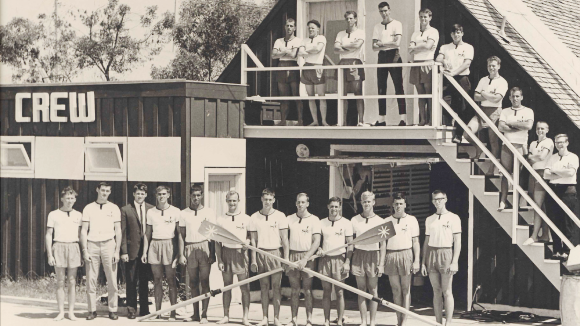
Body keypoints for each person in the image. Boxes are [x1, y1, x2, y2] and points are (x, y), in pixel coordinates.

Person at [80, 182, 122, 320]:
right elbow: (84, 230)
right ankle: (92, 310)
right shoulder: (88, 208)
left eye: (107, 191)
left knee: (112, 279)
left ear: (110, 192)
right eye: (102, 190)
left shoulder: (114, 208)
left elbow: (118, 230)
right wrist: (85, 250)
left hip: (109, 244)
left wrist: (117, 251)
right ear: (97, 190)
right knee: (91, 279)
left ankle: (112, 309)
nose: (104, 193)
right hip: (92, 244)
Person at [248, 188, 289, 326]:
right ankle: (264, 318)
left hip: (276, 254)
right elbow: (253, 241)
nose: (267, 202)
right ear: (261, 199)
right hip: (261, 254)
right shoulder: (254, 217)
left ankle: (276, 318)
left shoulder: (280, 216)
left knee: (276, 287)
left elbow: (285, 240)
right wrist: (253, 260)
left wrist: (286, 259)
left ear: (274, 200)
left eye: (270, 199)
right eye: (265, 199)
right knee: (264, 287)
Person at [421, 190, 462, 326]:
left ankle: (448, 322)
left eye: (440, 199)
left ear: (445, 199)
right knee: (436, 291)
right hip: (432, 254)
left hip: (446, 254)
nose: (437, 202)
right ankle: (438, 322)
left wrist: (455, 261)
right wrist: (423, 262)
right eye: (435, 200)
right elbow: (426, 242)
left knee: (447, 290)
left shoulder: (454, 218)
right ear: (432, 201)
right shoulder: (429, 219)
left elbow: (457, 241)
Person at [179, 185, 216, 323]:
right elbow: (181, 236)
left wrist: (212, 253)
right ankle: (195, 314)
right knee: (193, 282)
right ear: (190, 196)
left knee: (205, 282)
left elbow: (213, 234)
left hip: (204, 246)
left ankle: (204, 315)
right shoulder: (183, 213)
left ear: (202, 196)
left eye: (198, 195)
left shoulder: (209, 212)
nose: (196, 198)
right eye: (193, 195)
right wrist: (182, 254)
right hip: (190, 247)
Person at [142, 186, 180, 320]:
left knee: (171, 280)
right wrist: (145, 252)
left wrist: (178, 254)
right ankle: (157, 313)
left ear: (168, 195)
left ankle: (173, 312)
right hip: (155, 245)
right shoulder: (151, 212)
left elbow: (179, 234)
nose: (161, 196)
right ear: (156, 196)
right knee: (157, 280)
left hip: (169, 245)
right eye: (159, 194)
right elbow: (147, 234)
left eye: (164, 194)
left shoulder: (175, 211)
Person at [45, 186, 82, 321]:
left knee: (72, 281)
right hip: (58, 247)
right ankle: (61, 312)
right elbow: (49, 235)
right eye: (67, 198)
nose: (69, 201)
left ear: (75, 200)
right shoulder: (53, 214)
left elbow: (80, 234)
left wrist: (82, 252)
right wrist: (50, 254)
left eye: (72, 198)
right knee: (60, 281)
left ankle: (71, 312)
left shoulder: (78, 215)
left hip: (73, 246)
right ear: (62, 199)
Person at [215, 190, 252, 325]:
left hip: (240, 255)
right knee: (227, 286)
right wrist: (219, 260)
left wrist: (248, 241)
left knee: (244, 287)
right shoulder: (220, 219)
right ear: (226, 201)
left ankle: (245, 317)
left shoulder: (246, 218)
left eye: (234, 200)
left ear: (238, 201)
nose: (232, 203)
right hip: (226, 253)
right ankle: (226, 316)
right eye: (230, 200)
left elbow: (250, 236)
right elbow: (217, 242)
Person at [383, 193, 420, 326]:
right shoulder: (387, 221)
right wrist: (382, 263)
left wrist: (416, 261)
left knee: (406, 289)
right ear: (393, 205)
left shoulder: (412, 220)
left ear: (405, 205)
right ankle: (398, 319)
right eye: (396, 204)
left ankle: (404, 321)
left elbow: (416, 242)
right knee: (396, 289)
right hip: (391, 255)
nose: (398, 206)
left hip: (406, 254)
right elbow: (383, 244)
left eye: (401, 203)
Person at [286, 193, 321, 326]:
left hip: (308, 257)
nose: (300, 205)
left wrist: (306, 258)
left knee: (307, 290)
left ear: (307, 204)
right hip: (293, 256)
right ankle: (293, 319)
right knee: (294, 290)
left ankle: (309, 319)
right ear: (295, 203)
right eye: (298, 202)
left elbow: (317, 241)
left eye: (303, 202)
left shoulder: (314, 220)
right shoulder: (289, 219)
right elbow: (284, 239)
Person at [351, 191, 386, 326]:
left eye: (369, 201)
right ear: (361, 202)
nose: (366, 204)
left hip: (373, 255)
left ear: (373, 202)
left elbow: (383, 245)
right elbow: (350, 241)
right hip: (359, 254)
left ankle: (372, 322)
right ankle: (363, 321)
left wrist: (381, 263)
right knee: (361, 289)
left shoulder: (380, 221)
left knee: (373, 289)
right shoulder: (354, 220)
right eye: (364, 201)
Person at [317, 197, 353, 326]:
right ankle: (326, 320)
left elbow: (350, 245)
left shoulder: (346, 223)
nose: (334, 209)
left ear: (340, 207)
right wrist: (319, 248)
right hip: (325, 259)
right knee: (326, 291)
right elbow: (316, 242)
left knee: (339, 292)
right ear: (328, 207)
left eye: (336, 206)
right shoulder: (321, 223)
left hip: (340, 259)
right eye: (332, 206)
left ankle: (339, 321)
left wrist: (347, 262)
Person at [465, 56, 508, 161]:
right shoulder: (483, 80)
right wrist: (490, 95)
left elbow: (497, 99)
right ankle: (478, 148)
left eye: (493, 65)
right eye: (489, 66)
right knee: (467, 133)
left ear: (498, 66)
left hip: (495, 112)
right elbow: (476, 96)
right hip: (482, 110)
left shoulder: (502, 82)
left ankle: (492, 168)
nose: (491, 68)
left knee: (493, 141)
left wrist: (483, 93)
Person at [120, 183, 154, 319]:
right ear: (134, 194)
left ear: (145, 195)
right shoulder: (126, 209)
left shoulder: (151, 209)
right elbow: (122, 232)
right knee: (131, 280)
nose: (140, 196)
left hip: (146, 250)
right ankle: (131, 309)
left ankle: (145, 309)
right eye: (137, 193)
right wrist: (124, 251)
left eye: (142, 193)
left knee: (144, 280)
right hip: (132, 250)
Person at [543, 134, 580, 258]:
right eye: (557, 142)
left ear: (567, 143)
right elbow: (546, 175)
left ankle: (567, 251)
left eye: (562, 142)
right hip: (554, 190)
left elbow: (571, 173)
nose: (560, 145)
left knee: (567, 222)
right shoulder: (552, 158)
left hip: (568, 191)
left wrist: (555, 171)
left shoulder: (573, 157)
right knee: (555, 220)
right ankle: (557, 250)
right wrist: (561, 173)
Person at [436, 24, 474, 143]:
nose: (456, 35)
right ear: (451, 35)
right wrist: (444, 60)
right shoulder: (445, 47)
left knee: (463, 107)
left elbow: (466, 64)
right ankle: (448, 132)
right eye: (454, 33)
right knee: (445, 103)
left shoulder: (468, 47)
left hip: (462, 79)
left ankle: (458, 134)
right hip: (448, 80)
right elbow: (438, 59)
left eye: (458, 32)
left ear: (462, 33)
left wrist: (454, 73)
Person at [497, 87, 534, 210]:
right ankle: (503, 201)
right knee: (505, 174)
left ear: (521, 97)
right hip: (506, 145)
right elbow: (501, 127)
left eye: (517, 96)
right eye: (513, 96)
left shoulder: (528, 111)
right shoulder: (505, 111)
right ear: (509, 98)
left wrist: (511, 123)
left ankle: (516, 203)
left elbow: (528, 125)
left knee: (518, 177)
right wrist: (519, 126)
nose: (515, 98)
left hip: (520, 146)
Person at [372, 2, 406, 126]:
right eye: (381, 11)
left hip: (394, 56)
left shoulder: (397, 24)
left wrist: (382, 44)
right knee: (381, 87)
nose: (384, 13)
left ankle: (403, 118)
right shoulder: (377, 27)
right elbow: (374, 47)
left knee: (398, 87)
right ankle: (381, 119)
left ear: (390, 10)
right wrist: (387, 43)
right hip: (382, 57)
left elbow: (397, 44)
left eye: (385, 11)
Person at [523, 122, 554, 245]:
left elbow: (541, 157)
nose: (540, 130)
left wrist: (532, 157)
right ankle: (545, 234)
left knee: (538, 204)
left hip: (542, 174)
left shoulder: (549, 142)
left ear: (547, 130)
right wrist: (533, 157)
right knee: (541, 206)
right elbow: (530, 158)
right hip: (533, 172)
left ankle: (534, 235)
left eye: (542, 128)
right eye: (538, 128)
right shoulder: (533, 143)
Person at [334, 11, 365, 126]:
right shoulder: (340, 34)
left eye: (351, 18)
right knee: (342, 93)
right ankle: (342, 121)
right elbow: (335, 49)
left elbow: (357, 46)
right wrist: (349, 47)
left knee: (358, 92)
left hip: (355, 62)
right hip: (342, 63)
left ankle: (361, 121)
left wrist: (343, 46)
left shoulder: (360, 32)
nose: (349, 21)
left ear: (355, 19)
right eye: (347, 19)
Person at [409, 8, 439, 126]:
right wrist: (422, 45)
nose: (423, 19)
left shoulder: (433, 32)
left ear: (430, 18)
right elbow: (410, 49)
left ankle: (431, 120)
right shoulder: (415, 33)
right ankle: (422, 120)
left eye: (425, 17)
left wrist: (417, 46)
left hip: (427, 63)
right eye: (421, 16)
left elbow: (429, 46)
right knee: (420, 94)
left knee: (429, 93)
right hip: (416, 63)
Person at [272, 18, 303, 126]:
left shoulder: (297, 40)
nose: (289, 28)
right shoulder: (278, 41)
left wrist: (282, 52)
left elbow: (293, 55)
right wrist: (286, 51)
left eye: (291, 26)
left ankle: (300, 120)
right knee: (283, 96)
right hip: (281, 67)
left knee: (295, 95)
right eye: (287, 25)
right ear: (284, 27)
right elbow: (273, 55)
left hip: (292, 66)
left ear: (294, 28)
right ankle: (283, 120)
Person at [298, 20, 328, 126]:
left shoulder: (321, 38)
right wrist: (310, 49)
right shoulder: (304, 40)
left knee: (321, 96)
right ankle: (315, 120)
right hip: (307, 67)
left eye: (313, 28)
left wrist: (306, 50)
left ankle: (323, 121)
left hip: (317, 66)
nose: (310, 30)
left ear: (317, 29)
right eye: (309, 28)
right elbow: (300, 52)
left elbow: (318, 49)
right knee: (310, 96)